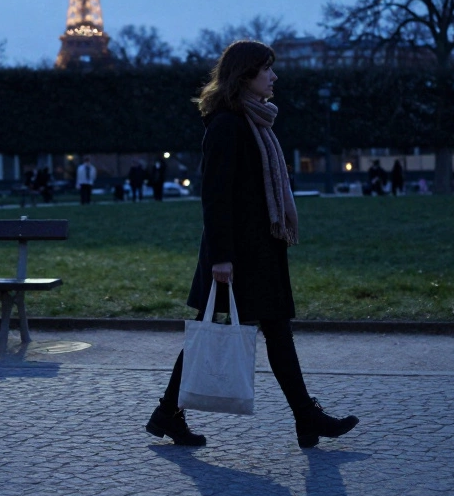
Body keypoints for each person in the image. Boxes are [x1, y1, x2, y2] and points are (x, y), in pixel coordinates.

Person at [146, 40, 358, 449]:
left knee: (267, 330)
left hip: (259, 248)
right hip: (239, 254)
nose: (274, 76)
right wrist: (222, 258)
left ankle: (301, 418)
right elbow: (215, 196)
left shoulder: (255, 122)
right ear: (245, 75)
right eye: (267, 70)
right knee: (226, 332)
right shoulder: (228, 124)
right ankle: (303, 418)